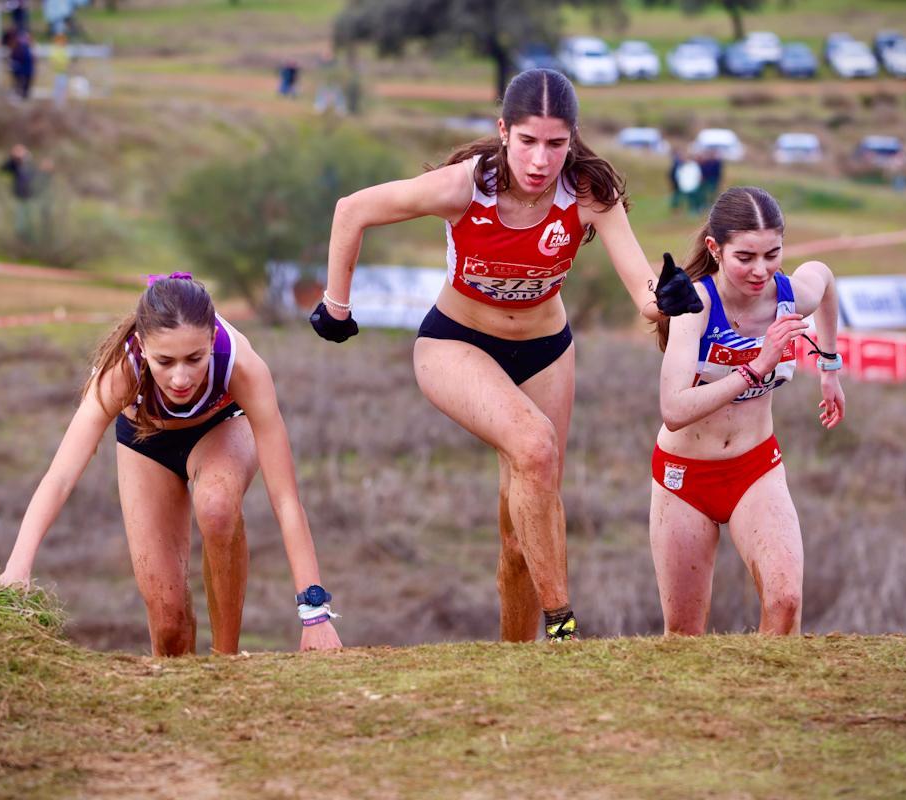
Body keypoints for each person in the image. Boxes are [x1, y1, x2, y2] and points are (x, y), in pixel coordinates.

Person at [310, 68, 703, 643]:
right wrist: (336, 307)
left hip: (546, 352)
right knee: (535, 446)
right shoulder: (464, 187)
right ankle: (563, 628)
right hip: (457, 343)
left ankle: (519, 661)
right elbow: (352, 210)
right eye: (527, 141)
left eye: (556, 144)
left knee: (524, 529)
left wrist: (665, 300)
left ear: (572, 139)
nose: (541, 160)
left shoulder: (588, 195)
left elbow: (643, 290)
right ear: (503, 132)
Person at [0, 275, 343, 656]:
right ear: (142, 346)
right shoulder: (121, 371)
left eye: (194, 359)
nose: (180, 378)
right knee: (168, 623)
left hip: (220, 429)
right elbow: (60, 476)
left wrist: (315, 615)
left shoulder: (241, 366)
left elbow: (286, 499)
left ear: (212, 339)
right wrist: (17, 568)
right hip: (146, 441)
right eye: (164, 361)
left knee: (216, 505)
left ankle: (227, 664)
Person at [649, 186, 844, 636]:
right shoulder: (695, 307)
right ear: (715, 249)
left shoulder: (790, 296)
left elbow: (825, 277)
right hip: (684, 477)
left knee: (785, 602)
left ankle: (767, 683)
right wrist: (758, 365)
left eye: (773, 254)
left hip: (755, 469)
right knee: (683, 635)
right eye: (746, 257)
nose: (761, 270)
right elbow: (674, 408)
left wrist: (830, 367)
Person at [0, 144, 36, 242]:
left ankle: (28, 238)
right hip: (20, 195)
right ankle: (21, 239)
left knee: (29, 218)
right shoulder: (15, 164)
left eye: (21, 151)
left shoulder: (30, 163)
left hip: (31, 195)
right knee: (20, 219)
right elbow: (3, 169)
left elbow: (35, 175)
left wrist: (26, 158)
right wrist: (13, 158)